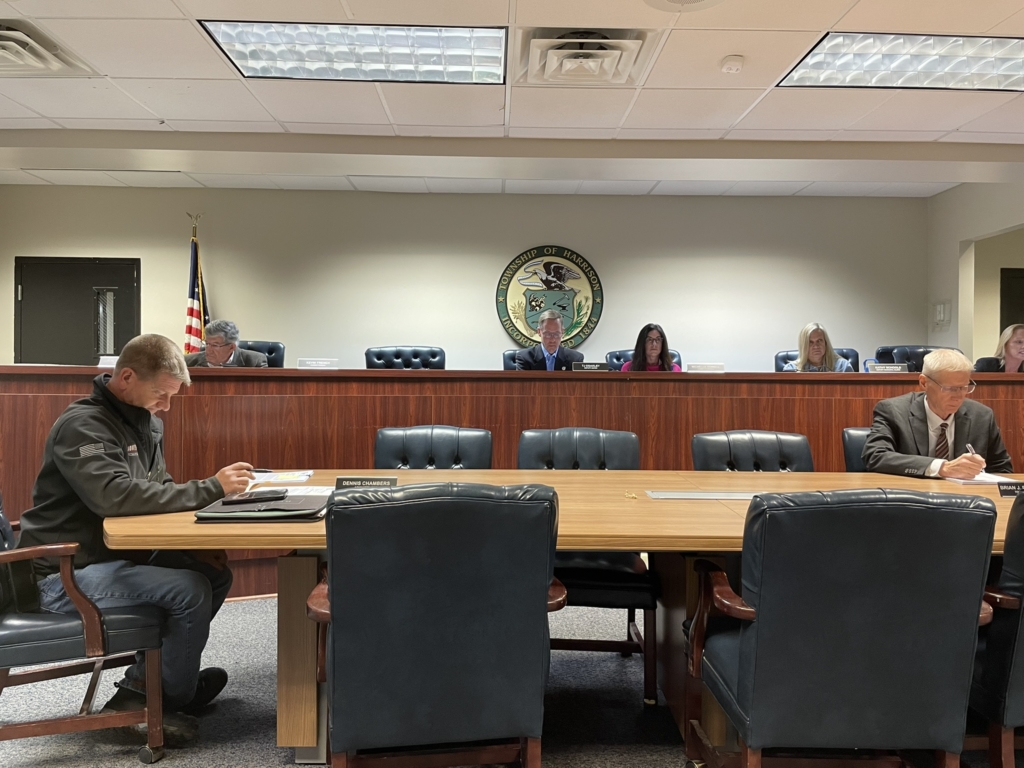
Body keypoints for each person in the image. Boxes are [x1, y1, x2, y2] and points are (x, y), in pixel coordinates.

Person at [17, 334, 255, 744]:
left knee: (211, 572)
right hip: (63, 573)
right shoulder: (83, 426)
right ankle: (160, 699)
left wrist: (193, 542)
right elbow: (114, 497)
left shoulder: (146, 422)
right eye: (161, 394)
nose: (166, 406)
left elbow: (158, 488)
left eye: (171, 397)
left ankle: (150, 686)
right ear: (126, 377)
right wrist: (212, 487)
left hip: (112, 557)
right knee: (189, 589)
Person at [862, 348, 1012, 478]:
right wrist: (941, 468)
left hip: (966, 499)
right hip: (911, 496)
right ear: (924, 383)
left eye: (964, 387)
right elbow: (876, 456)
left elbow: (1002, 469)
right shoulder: (893, 411)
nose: (959, 396)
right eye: (949, 388)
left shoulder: (982, 416)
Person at [515, 309, 584, 371]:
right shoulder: (525, 358)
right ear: (539, 332)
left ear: (562, 332)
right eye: (548, 334)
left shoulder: (575, 359)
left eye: (556, 334)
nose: (552, 340)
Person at [184, 319, 268, 368]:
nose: (208, 350)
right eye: (207, 344)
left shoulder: (255, 361)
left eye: (215, 345)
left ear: (231, 347)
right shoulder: (187, 362)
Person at [782, 322, 854, 372]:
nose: (816, 346)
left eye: (819, 341)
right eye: (810, 342)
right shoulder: (791, 369)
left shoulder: (843, 366)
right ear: (803, 346)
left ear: (826, 343)